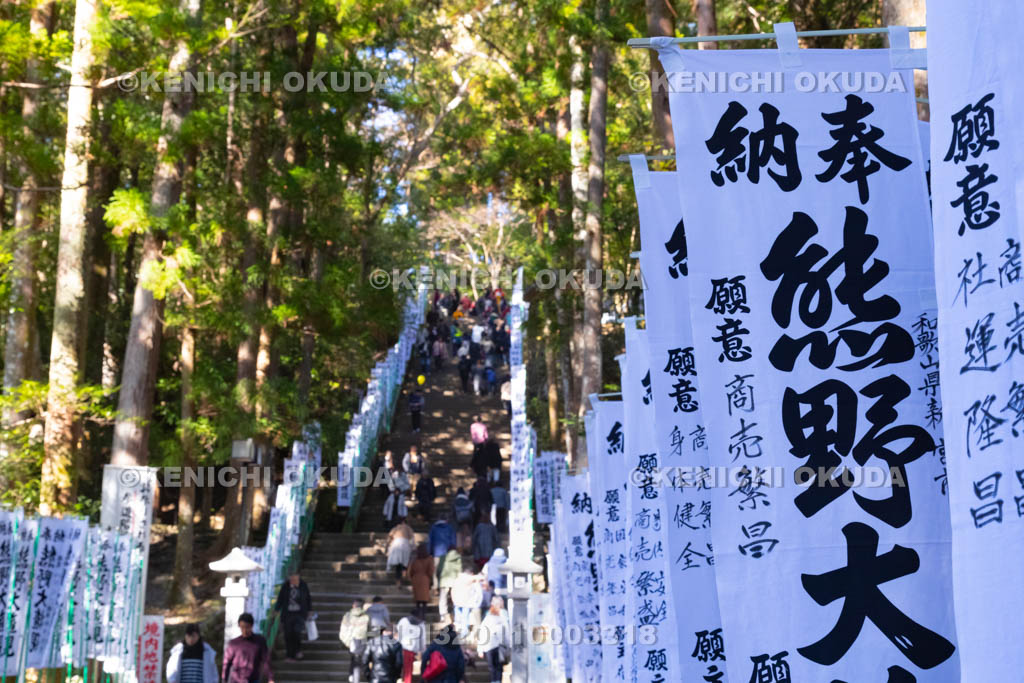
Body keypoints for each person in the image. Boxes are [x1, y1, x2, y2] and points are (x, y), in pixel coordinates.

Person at [222, 613, 273, 683]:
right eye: (242, 627)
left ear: (252, 626)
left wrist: (270, 678)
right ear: (239, 626)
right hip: (236, 680)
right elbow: (226, 663)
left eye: (247, 627)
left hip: (253, 679)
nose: (245, 630)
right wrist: (224, 679)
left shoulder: (259, 641)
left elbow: (265, 660)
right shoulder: (234, 643)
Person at [274, 571, 312, 661]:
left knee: (297, 632)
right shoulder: (285, 586)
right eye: (291, 579)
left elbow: (308, 598)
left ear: (298, 578)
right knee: (288, 634)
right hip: (288, 614)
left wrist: (310, 610)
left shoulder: (303, 585)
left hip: (300, 613)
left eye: (295, 579)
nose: (293, 581)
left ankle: (297, 651)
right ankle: (289, 655)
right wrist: (276, 609)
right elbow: (280, 598)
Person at [478, 597, 511, 683]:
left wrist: (480, 649)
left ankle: (494, 680)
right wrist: (508, 646)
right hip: (499, 646)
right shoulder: (503, 619)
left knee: (492, 667)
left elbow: (482, 634)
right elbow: (506, 634)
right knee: (499, 666)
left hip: (489, 646)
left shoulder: (487, 620)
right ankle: (497, 681)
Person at [339, 599, 370, 683]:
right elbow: (371, 631)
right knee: (357, 661)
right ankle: (354, 678)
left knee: (355, 660)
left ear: (353, 605)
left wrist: (346, 640)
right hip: (361, 642)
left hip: (349, 641)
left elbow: (343, 630)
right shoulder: (366, 617)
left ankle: (351, 676)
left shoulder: (347, 616)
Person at [396, 608, 428, 683]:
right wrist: (422, 650)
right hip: (412, 648)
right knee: (408, 668)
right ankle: (407, 680)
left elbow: (399, 633)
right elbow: (422, 639)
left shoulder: (403, 621)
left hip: (402, 646)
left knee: (404, 666)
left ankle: (404, 679)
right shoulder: (421, 624)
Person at [451, 567, 482, 643]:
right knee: (465, 619)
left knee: (458, 619)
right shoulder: (468, 578)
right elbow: (481, 577)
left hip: (456, 601)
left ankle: (457, 633)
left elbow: (452, 590)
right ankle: (463, 635)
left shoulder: (457, 579)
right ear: (471, 574)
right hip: (465, 602)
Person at [407, 544, 435, 613]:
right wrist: (429, 578)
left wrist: (411, 577)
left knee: (417, 598)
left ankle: (418, 612)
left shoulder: (415, 560)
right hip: (425, 579)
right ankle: (423, 613)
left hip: (416, 579)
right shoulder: (429, 559)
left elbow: (410, 570)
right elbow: (431, 570)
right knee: (424, 597)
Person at [437, 547, 462, 620]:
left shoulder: (442, 557)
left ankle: (442, 615)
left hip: (444, 580)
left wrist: (438, 577)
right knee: (455, 598)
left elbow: (439, 569)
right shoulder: (458, 558)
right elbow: (459, 570)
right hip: (454, 581)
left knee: (443, 598)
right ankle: (455, 614)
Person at [383, 463, 410, 528]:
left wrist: (401, 489)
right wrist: (394, 489)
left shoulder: (404, 476)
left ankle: (399, 522)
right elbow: (390, 484)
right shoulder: (394, 475)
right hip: (394, 494)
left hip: (401, 494)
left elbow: (407, 485)